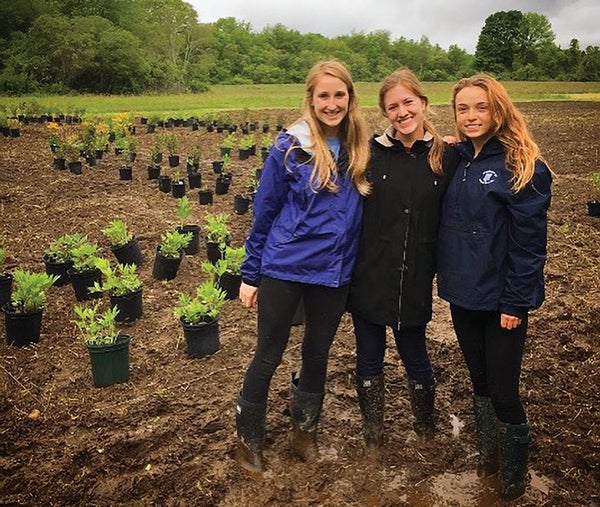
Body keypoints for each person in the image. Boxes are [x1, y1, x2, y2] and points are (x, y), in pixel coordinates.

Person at [235, 60, 370, 473]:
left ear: (350, 97)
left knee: (317, 353)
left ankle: (303, 434)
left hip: (333, 272)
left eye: (339, 95)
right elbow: (266, 209)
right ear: (310, 100)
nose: (332, 104)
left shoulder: (362, 145)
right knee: (268, 354)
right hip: (286, 267)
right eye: (323, 96)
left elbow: (412, 145)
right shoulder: (290, 146)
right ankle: (248, 442)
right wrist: (250, 273)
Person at [436, 74, 552, 500]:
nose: (471, 116)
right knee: (480, 382)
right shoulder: (456, 159)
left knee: (504, 390)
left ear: (498, 110)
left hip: (503, 300)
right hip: (462, 294)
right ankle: (488, 457)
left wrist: (516, 301)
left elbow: (529, 245)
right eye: (463, 108)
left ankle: (513, 480)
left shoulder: (522, 165)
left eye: (480, 107)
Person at [346, 68, 459, 453]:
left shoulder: (447, 156)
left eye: (408, 102)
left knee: (416, 354)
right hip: (369, 274)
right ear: (385, 113)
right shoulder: (368, 153)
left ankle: (424, 428)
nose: (402, 111)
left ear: (423, 103)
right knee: (368, 357)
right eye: (393, 106)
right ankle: (373, 434)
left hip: (414, 276)